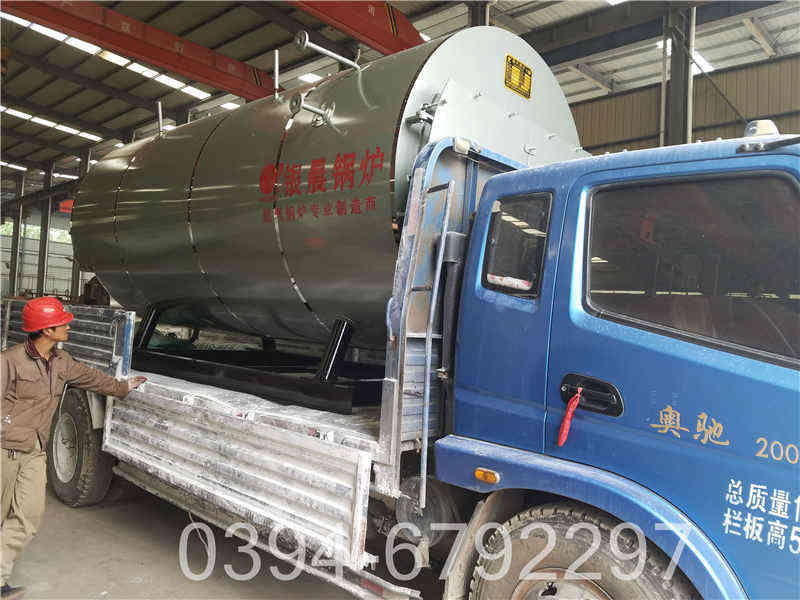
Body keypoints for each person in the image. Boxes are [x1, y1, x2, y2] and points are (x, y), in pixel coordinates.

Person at [0, 297, 146, 599]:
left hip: (34, 452)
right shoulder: (9, 361)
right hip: (4, 451)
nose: (68, 326)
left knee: (28, 516)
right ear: (47, 330)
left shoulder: (61, 362)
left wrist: (123, 387)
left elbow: (91, 378)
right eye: (62, 323)